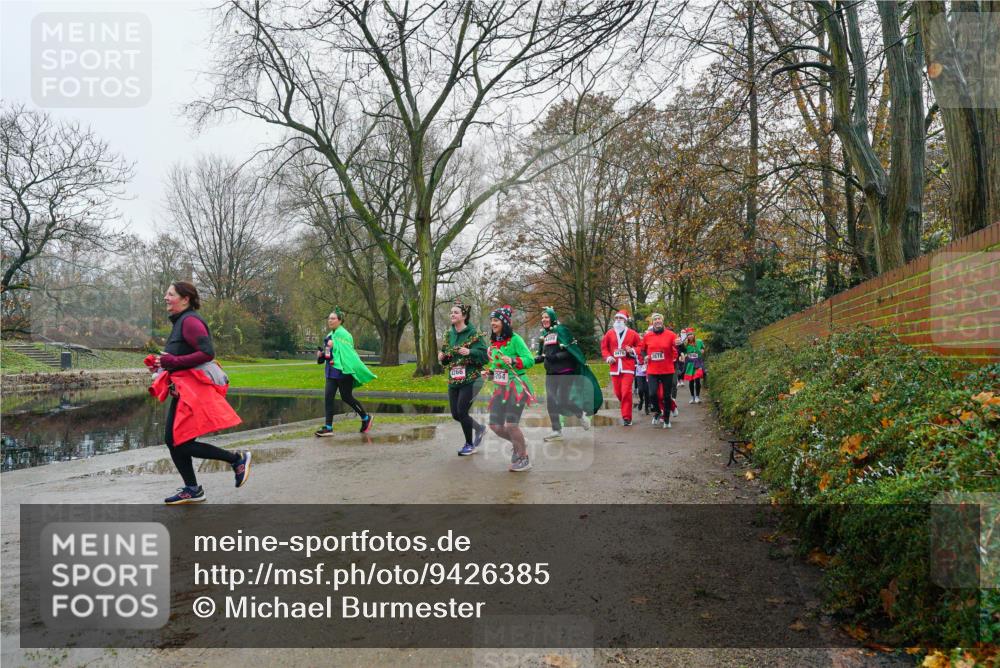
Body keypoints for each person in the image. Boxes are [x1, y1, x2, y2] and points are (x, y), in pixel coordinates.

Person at [149, 281, 249, 505]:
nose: (166, 297)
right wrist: (162, 364)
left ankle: (236, 459)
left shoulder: (190, 321)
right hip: (183, 390)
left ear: (185, 299)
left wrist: (173, 360)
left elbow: (207, 352)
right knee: (174, 440)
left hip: (195, 391)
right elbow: (182, 355)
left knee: (179, 441)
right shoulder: (181, 322)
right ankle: (193, 488)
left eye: (170, 293)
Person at [534, 306, 603, 441]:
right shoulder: (544, 335)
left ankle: (581, 415)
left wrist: (557, 357)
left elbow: (570, 351)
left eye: (546, 317)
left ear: (553, 318)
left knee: (564, 400)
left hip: (565, 371)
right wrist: (532, 360)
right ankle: (556, 430)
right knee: (551, 402)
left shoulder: (561, 330)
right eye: (542, 318)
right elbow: (541, 355)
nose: (544, 320)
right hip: (551, 372)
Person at [483, 305, 535, 472]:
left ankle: (523, 457)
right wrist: (489, 373)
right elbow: (496, 366)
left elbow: (530, 359)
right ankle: (517, 443)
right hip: (501, 389)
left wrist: (513, 361)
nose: (493, 323)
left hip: (517, 387)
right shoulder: (494, 343)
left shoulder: (516, 339)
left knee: (511, 425)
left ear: (504, 322)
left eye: (496, 320)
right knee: (494, 426)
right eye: (492, 320)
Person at [314, 307, 376, 437]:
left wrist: (333, 345)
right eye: (329, 318)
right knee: (328, 398)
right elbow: (327, 356)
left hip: (343, 371)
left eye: (333, 318)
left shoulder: (345, 335)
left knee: (346, 397)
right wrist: (321, 354)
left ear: (340, 320)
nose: (330, 321)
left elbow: (348, 352)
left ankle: (365, 417)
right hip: (331, 371)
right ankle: (328, 427)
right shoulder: (329, 336)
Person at [438, 300, 489, 455]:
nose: (452, 315)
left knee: (462, 411)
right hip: (455, 379)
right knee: (455, 414)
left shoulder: (473, 334)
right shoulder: (449, 334)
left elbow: (485, 356)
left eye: (456, 312)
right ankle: (480, 429)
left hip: (472, 378)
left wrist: (470, 352)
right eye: (451, 312)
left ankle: (469, 445)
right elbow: (448, 356)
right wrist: (442, 357)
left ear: (464, 316)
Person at [639, 313, 681, 429]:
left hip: (667, 369)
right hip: (652, 370)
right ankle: (657, 412)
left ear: (662, 321)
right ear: (652, 322)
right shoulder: (648, 336)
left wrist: (678, 343)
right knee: (652, 393)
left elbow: (676, 343)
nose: (657, 321)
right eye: (655, 319)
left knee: (666, 396)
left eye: (659, 319)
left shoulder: (670, 334)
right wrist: (646, 356)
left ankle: (667, 419)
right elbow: (642, 350)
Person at [600, 310, 641, 426]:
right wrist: (608, 357)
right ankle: (625, 406)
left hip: (627, 367)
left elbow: (640, 346)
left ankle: (627, 417)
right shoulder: (609, 333)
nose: (618, 320)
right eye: (616, 318)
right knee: (618, 393)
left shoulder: (633, 333)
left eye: (621, 318)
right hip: (614, 367)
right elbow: (604, 348)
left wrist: (632, 350)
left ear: (625, 320)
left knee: (626, 392)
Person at [681, 327, 706, 403]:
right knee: (691, 381)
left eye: (691, 334)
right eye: (688, 335)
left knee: (697, 380)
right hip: (690, 364)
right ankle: (692, 397)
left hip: (698, 363)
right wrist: (683, 355)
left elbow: (703, 349)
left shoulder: (699, 341)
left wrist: (702, 350)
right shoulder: (685, 344)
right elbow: (682, 352)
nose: (690, 336)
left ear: (694, 335)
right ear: (687, 336)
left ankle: (697, 397)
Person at [634, 340, 650, 415]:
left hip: (647, 372)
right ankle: (641, 400)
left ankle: (647, 407)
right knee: (640, 390)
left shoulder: (648, 350)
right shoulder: (635, 351)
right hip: (639, 372)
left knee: (647, 391)